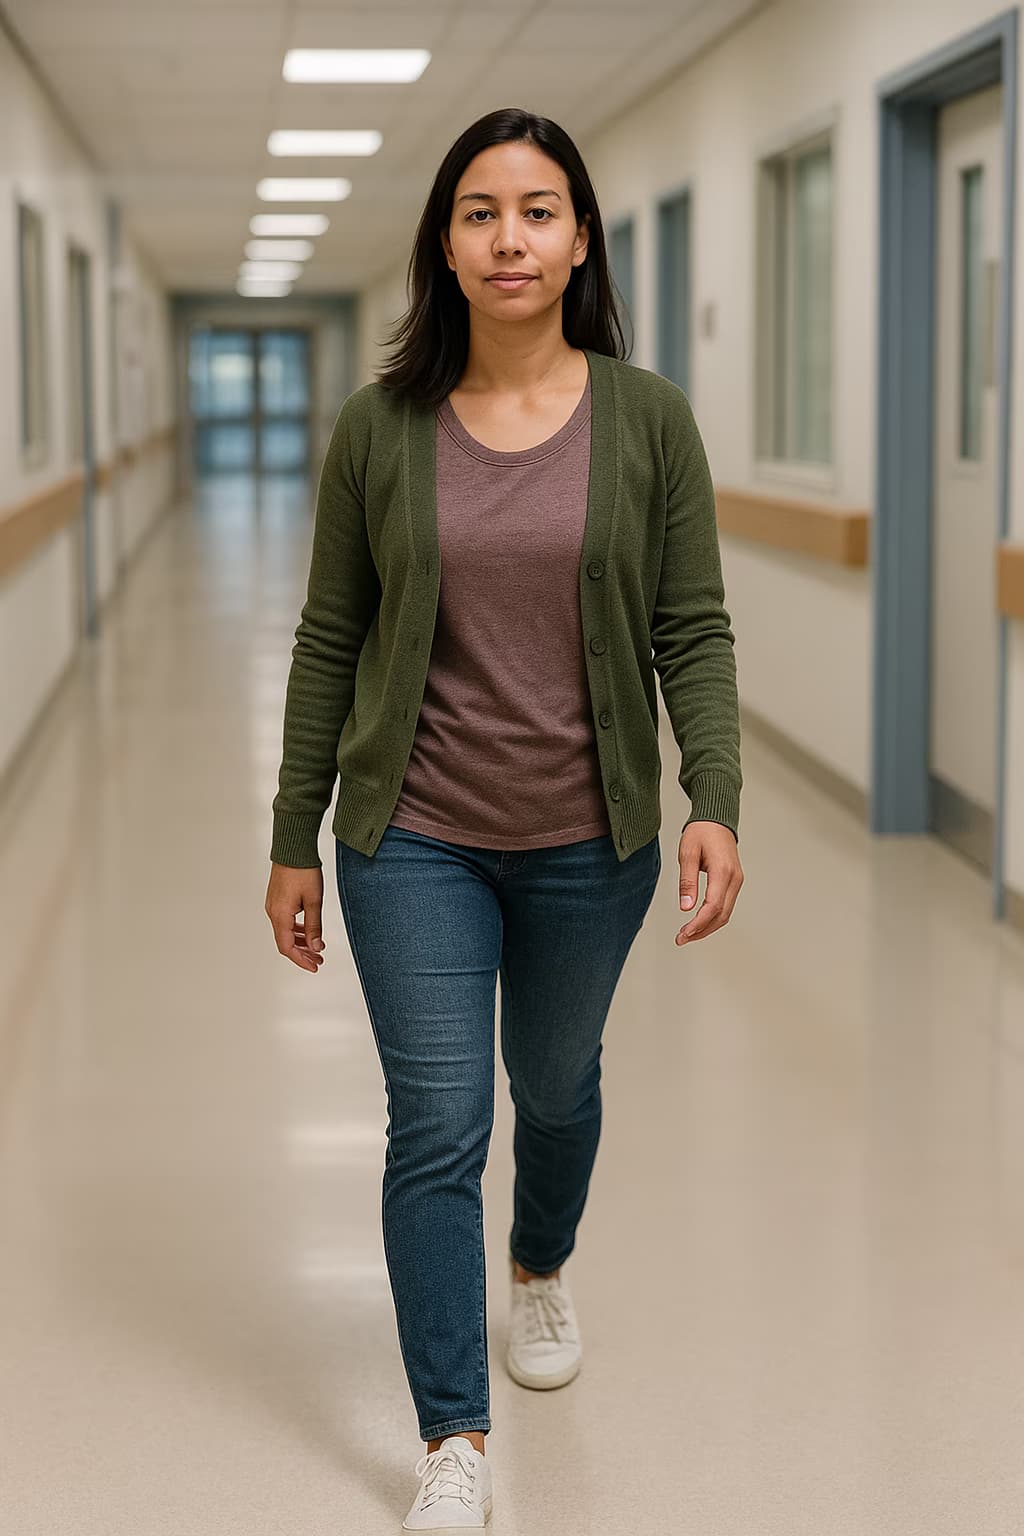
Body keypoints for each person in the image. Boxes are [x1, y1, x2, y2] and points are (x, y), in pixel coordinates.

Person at [264, 105, 744, 1532]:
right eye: (480, 211)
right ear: (446, 245)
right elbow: (328, 634)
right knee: (439, 1119)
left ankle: (538, 1265)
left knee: (557, 1085)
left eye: (538, 210)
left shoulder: (648, 418)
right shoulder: (382, 426)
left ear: (580, 237)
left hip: (587, 843)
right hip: (409, 834)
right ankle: (451, 1438)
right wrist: (296, 828)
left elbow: (694, 629)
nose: (510, 237)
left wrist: (712, 794)